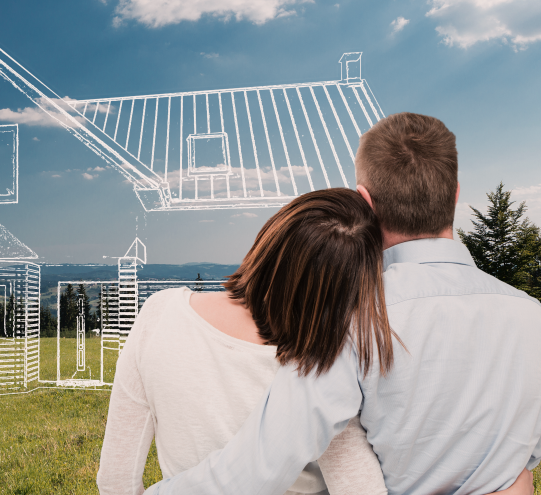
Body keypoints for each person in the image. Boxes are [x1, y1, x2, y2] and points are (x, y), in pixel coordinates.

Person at [145, 112, 541, 495]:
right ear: (455, 194)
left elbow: (258, 467)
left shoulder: (351, 322)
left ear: (364, 201)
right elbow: (524, 456)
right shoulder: (536, 319)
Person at [98, 188, 392, 495]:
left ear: (271, 235)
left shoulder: (160, 314)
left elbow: (116, 480)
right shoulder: (322, 363)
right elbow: (359, 487)